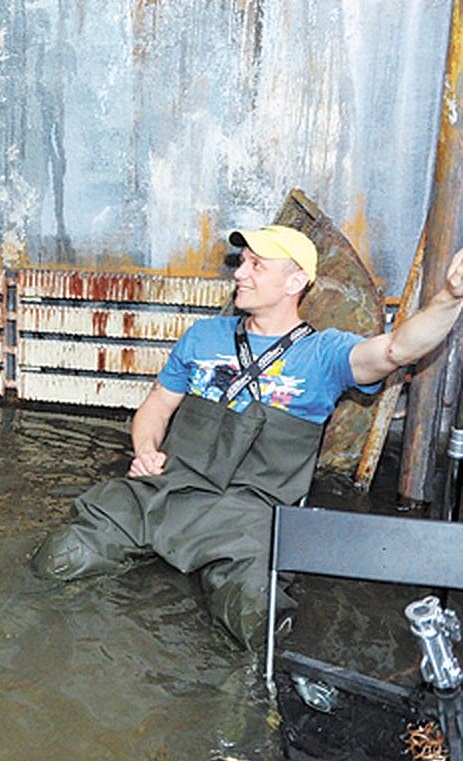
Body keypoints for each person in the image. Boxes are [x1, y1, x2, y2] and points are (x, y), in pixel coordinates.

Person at [30, 225, 463, 648]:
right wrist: (146, 452)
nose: (240, 272)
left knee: (255, 615)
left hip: (252, 509)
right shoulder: (203, 336)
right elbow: (158, 404)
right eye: (241, 262)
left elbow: (395, 350)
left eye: (257, 264)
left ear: (295, 281)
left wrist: (450, 297)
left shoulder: (324, 354)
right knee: (61, 556)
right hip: (169, 487)